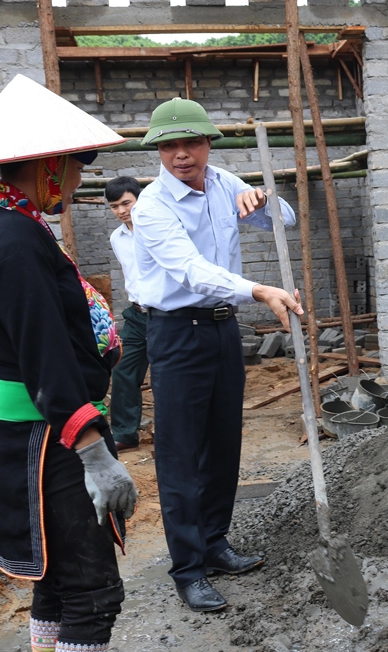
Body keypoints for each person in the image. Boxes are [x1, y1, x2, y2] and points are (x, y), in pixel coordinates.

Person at [0, 74, 138, 652]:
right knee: (92, 589)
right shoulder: (12, 238)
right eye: (76, 168)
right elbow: (44, 351)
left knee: (55, 581)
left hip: (31, 430)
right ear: (47, 165)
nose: (79, 180)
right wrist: (92, 452)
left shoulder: (3, 222)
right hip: (49, 436)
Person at [131, 98, 302, 612]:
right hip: (176, 333)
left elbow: (286, 221)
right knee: (181, 452)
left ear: (208, 143)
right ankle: (188, 568)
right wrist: (259, 290)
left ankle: (215, 542)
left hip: (223, 331)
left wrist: (262, 197)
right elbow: (191, 271)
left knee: (224, 442)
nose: (181, 154)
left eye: (191, 143)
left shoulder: (225, 183)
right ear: (159, 151)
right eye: (169, 146)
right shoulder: (151, 207)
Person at [106, 177, 149, 453]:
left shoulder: (157, 229)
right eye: (114, 206)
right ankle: (125, 433)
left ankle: (177, 430)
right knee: (122, 369)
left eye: (126, 203)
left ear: (138, 199)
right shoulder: (117, 237)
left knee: (168, 372)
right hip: (136, 314)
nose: (121, 211)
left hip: (167, 313)